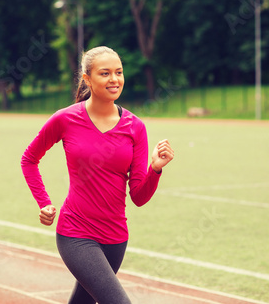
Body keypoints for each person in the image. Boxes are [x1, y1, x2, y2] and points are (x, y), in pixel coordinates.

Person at [21, 46, 174, 304]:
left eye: (119, 72)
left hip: (116, 237)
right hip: (76, 232)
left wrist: (156, 168)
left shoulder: (135, 127)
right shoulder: (65, 119)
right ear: (87, 79)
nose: (114, 79)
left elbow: (138, 196)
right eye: (105, 73)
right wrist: (44, 202)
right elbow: (29, 159)